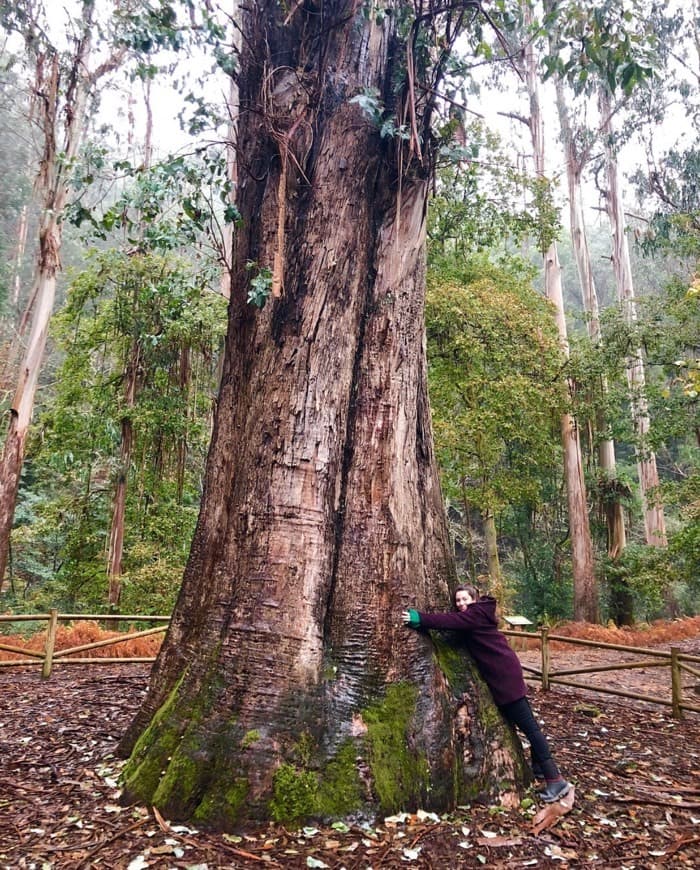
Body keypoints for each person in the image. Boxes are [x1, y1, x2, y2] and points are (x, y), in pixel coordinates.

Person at [402, 583, 571, 803]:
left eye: (465, 599)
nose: (461, 604)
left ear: (475, 599)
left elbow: (449, 621)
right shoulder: (475, 617)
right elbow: (453, 627)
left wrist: (419, 618)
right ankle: (539, 768)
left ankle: (556, 780)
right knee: (528, 724)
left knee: (529, 727)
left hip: (505, 679)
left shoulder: (475, 615)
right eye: (458, 600)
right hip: (506, 673)